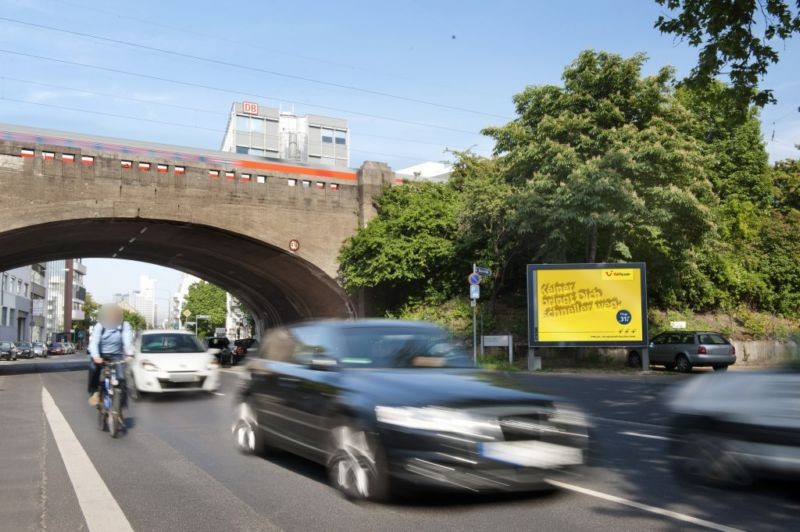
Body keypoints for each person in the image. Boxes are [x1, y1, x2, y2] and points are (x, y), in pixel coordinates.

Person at [87, 304, 134, 410]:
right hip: (100, 355)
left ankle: (120, 407)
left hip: (117, 355)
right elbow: (94, 342)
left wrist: (129, 354)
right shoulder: (100, 326)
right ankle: (95, 392)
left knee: (122, 378)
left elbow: (127, 341)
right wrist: (96, 357)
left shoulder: (124, 326)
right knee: (94, 368)